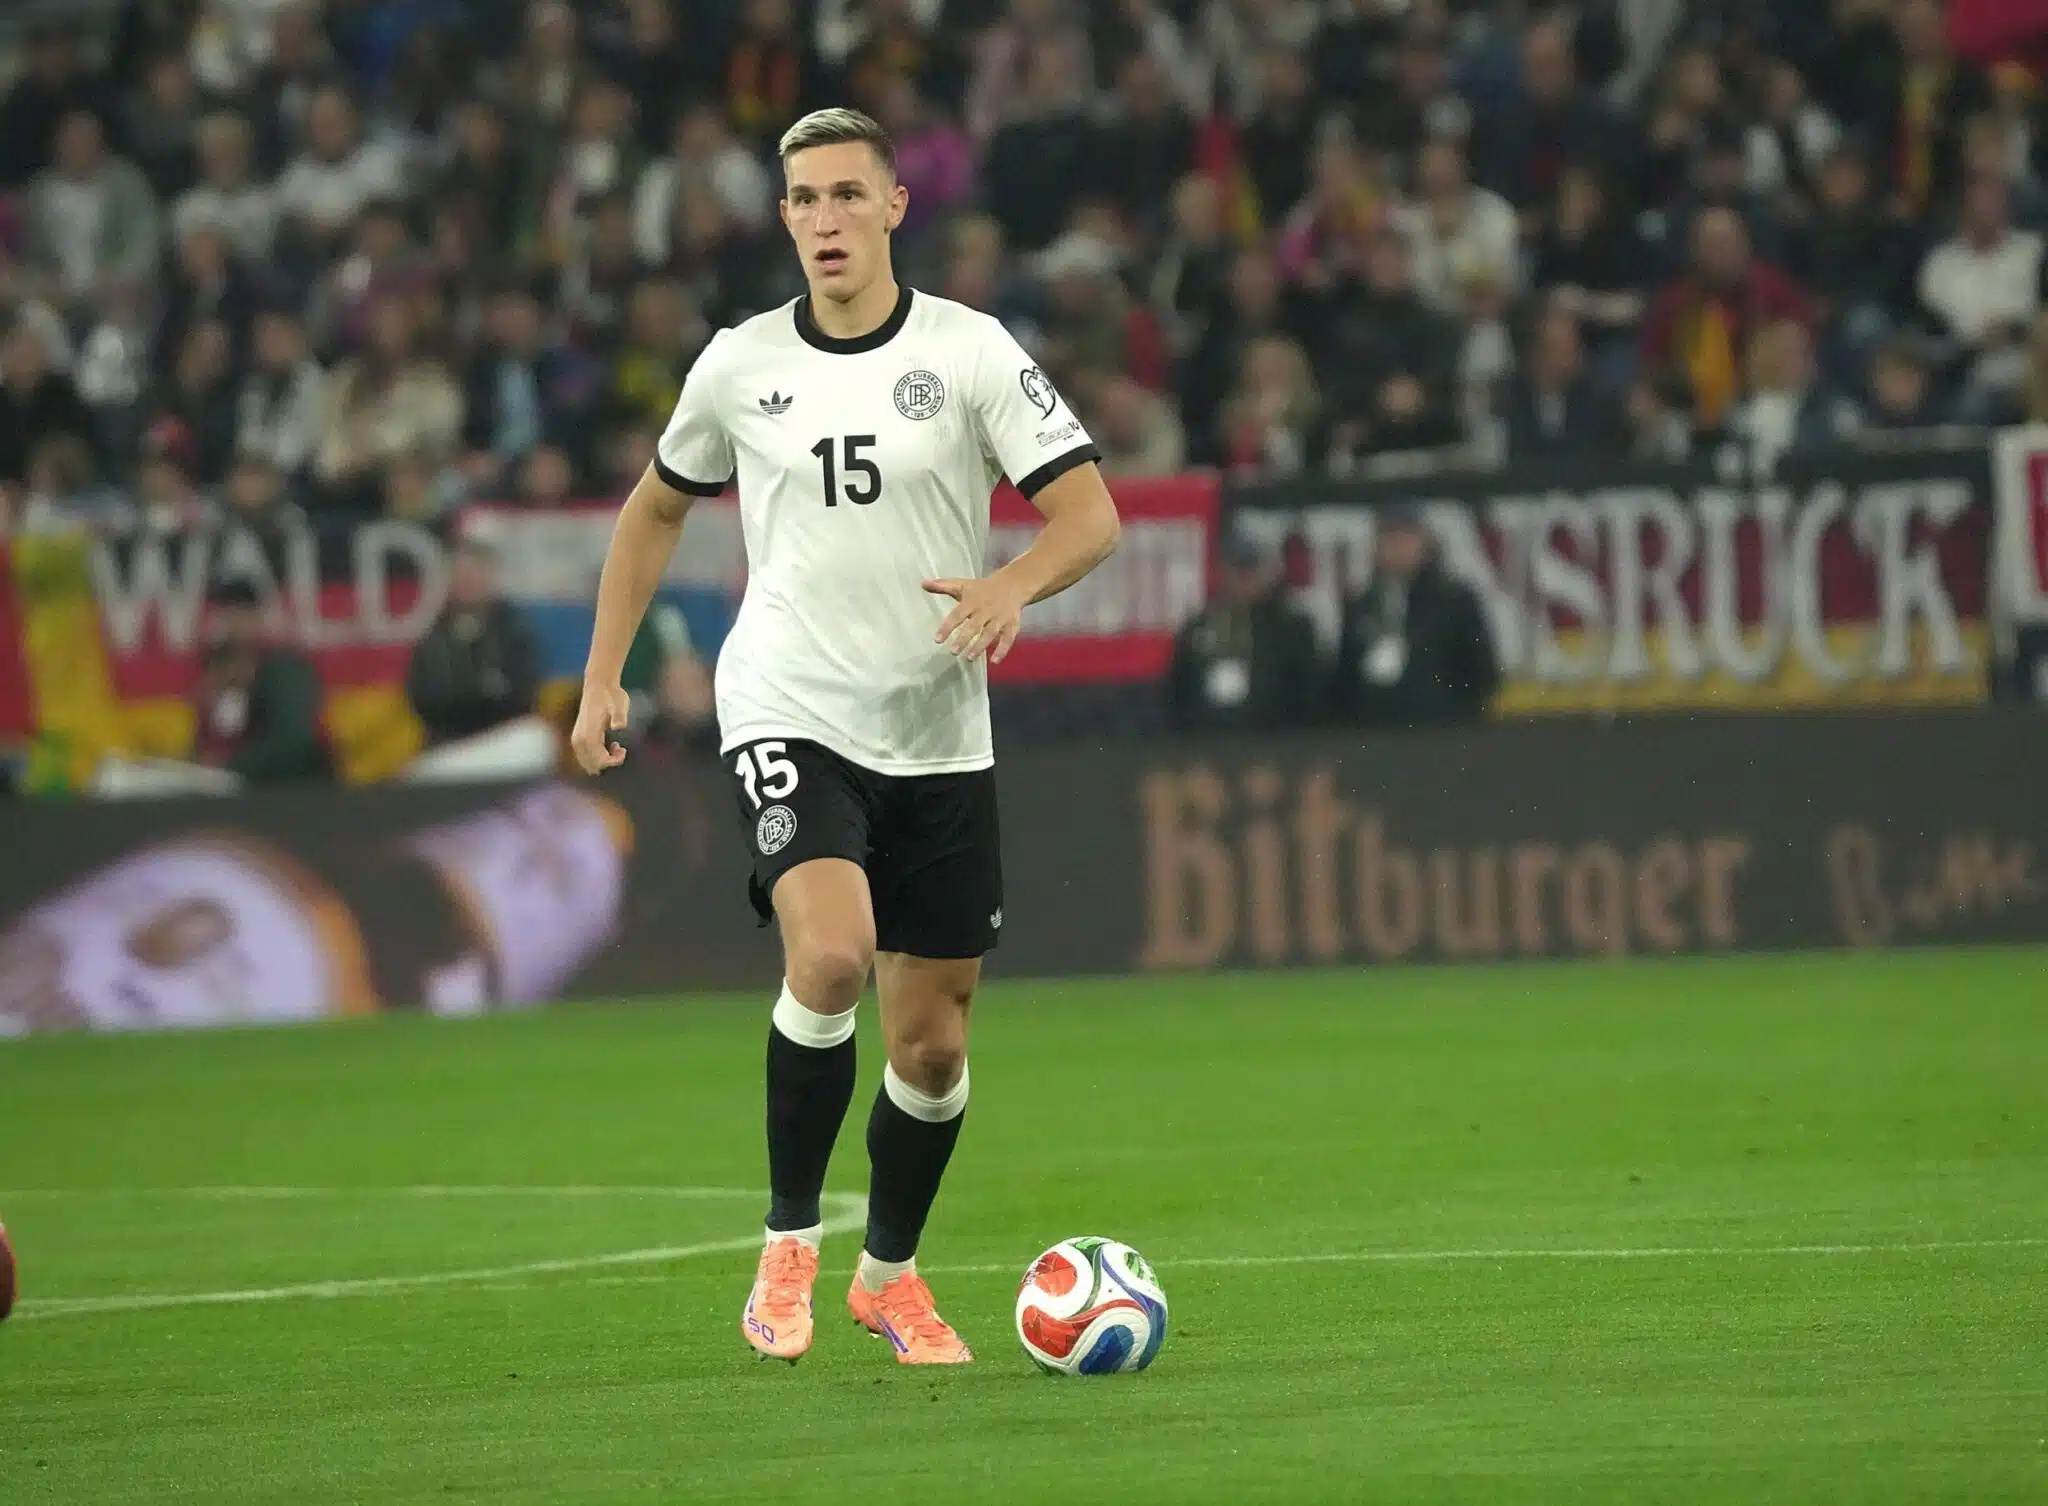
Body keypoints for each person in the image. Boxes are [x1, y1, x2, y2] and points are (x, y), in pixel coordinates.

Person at [569, 108, 1120, 1365]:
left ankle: (889, 1277)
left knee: (931, 1043)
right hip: (789, 703)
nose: (824, 219)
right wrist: (602, 678)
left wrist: (1009, 586)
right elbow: (653, 511)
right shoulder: (738, 365)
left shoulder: (969, 353)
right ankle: (787, 1243)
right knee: (828, 958)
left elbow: (1089, 516)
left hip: (934, 728)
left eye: (845, 195)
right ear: (783, 218)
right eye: (804, 199)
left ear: (892, 208)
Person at [1329, 508, 1498, 728]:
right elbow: (1344, 679)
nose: (1398, 546)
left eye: (1407, 537)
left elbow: (1482, 671)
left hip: (1442, 731)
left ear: (1425, 542)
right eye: (1389, 537)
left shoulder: (1455, 601)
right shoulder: (1361, 607)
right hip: (1376, 733)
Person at [1162, 527, 1322, 732]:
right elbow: (1177, 695)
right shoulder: (1197, 628)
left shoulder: (1292, 629)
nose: (1244, 577)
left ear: (1269, 571)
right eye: (1236, 568)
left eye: (1251, 567)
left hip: (1272, 741)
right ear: (1221, 571)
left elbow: (1308, 698)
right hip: (1207, 740)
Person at [405, 531, 541, 746]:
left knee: (536, 737)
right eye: (460, 574)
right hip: (451, 742)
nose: (467, 581)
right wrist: (483, 689)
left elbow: (523, 694)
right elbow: (428, 699)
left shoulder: (515, 631)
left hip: (508, 738)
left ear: (490, 576)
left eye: (474, 573)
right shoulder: (433, 638)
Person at [190, 579, 334, 783]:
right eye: (226, 615)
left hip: (299, 788)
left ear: (257, 617)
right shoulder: (216, 674)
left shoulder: (285, 670)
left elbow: (294, 741)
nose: (233, 624)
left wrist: (231, 767)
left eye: (240, 614)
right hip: (238, 788)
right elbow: (219, 735)